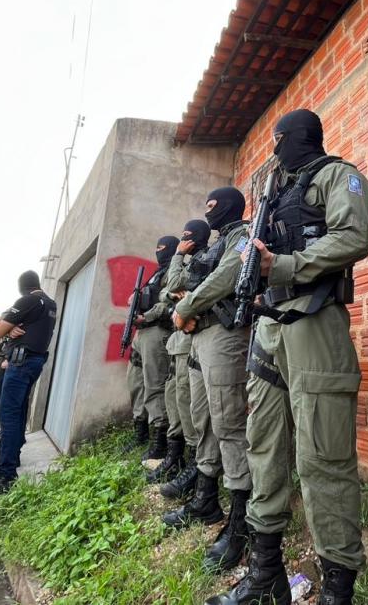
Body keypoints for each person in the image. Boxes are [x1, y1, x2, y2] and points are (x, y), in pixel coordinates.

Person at [208, 109, 368, 605]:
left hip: (314, 322)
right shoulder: (276, 194)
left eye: (279, 139)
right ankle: (266, 576)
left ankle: (337, 590)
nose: (276, 149)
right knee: (263, 446)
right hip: (270, 327)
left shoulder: (338, 176)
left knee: (323, 457)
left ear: (296, 137)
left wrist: (280, 265)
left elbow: (353, 238)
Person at [165, 188, 251, 573]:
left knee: (229, 424)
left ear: (231, 206)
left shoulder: (242, 234)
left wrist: (186, 305)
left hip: (224, 336)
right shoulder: (213, 244)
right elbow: (181, 284)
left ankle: (241, 519)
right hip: (200, 338)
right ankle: (205, 499)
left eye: (213, 206)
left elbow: (231, 274)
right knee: (205, 420)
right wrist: (187, 305)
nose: (207, 211)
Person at [0, 270, 56, 504]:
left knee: (8, 415)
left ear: (22, 287)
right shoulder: (49, 303)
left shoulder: (27, 300)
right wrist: (14, 328)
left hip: (20, 362)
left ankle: (5, 475)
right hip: (33, 361)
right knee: (17, 414)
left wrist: (8, 327)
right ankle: (7, 461)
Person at [149, 220, 210, 495]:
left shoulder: (206, 257)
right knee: (173, 395)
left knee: (188, 400)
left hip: (193, 333)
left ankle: (195, 463)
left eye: (189, 235)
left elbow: (176, 284)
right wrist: (174, 293)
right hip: (178, 336)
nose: (185, 238)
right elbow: (167, 290)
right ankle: (176, 456)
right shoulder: (188, 263)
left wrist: (177, 259)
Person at [133, 234, 180, 461]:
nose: (158, 250)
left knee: (155, 385)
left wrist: (146, 316)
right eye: (157, 246)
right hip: (142, 333)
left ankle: (160, 439)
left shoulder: (174, 270)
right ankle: (140, 428)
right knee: (136, 381)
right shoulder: (155, 273)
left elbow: (169, 301)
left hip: (157, 330)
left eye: (163, 247)